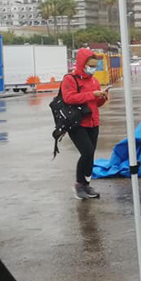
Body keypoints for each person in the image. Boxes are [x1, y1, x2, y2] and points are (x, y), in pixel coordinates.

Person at [61, 48, 108, 200]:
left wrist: (101, 97)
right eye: (91, 65)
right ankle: (79, 184)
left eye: (95, 66)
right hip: (77, 123)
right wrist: (91, 94)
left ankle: (86, 184)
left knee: (90, 155)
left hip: (93, 121)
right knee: (86, 152)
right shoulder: (70, 79)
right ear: (82, 64)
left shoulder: (94, 80)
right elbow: (69, 98)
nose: (93, 69)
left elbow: (96, 103)